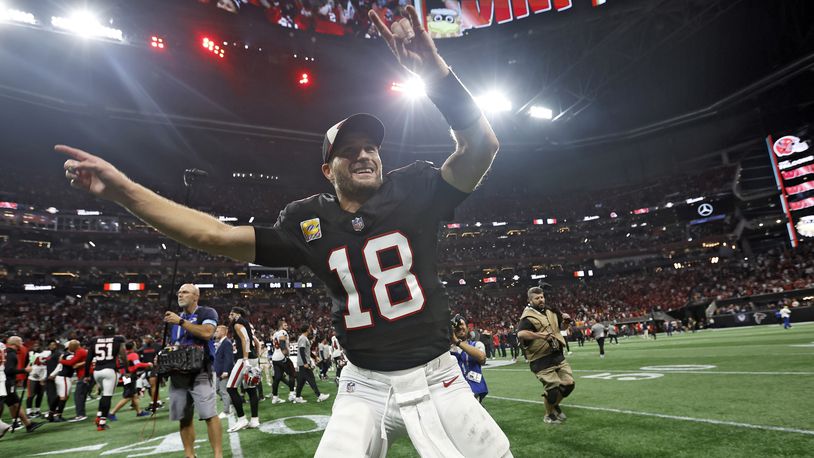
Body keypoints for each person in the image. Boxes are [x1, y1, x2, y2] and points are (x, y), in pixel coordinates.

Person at [56, 4, 509, 455]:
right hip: (363, 383)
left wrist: (434, 72)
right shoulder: (307, 221)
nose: (365, 155)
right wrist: (124, 192)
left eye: (371, 146)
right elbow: (213, 236)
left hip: (435, 372)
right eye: (350, 150)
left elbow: (482, 145)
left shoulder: (415, 187)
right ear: (327, 168)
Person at [163, 284, 223, 458]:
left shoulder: (207, 312)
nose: (180, 295)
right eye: (179, 292)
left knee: (209, 414)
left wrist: (181, 322)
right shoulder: (174, 319)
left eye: (185, 292)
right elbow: (173, 345)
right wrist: (164, 356)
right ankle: (190, 455)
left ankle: (218, 456)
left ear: (196, 296)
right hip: (178, 373)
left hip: (201, 371)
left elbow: (207, 333)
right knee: (184, 416)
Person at [517, 286, 575, 425]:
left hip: (557, 354)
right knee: (553, 389)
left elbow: (561, 328)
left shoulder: (551, 310)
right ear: (530, 300)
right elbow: (521, 334)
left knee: (569, 385)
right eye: (537, 298)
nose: (541, 300)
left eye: (542, 297)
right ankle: (548, 415)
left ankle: (554, 405)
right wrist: (540, 335)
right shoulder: (527, 317)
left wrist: (566, 321)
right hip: (540, 359)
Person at [225, 306, 261, 432]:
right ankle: (255, 419)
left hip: (244, 359)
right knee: (251, 390)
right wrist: (255, 357)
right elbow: (257, 342)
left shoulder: (238, 324)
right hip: (252, 358)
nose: (229, 317)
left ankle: (242, 419)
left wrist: (246, 359)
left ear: (236, 314)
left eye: (231, 314)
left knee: (230, 388)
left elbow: (245, 339)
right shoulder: (247, 324)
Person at [85, 324, 127, 431]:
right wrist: (127, 369)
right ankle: (102, 423)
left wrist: (86, 375)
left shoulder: (94, 340)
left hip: (97, 372)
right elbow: (123, 355)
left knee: (104, 396)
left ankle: (99, 416)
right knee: (107, 397)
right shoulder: (118, 339)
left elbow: (88, 359)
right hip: (109, 370)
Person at [3, 337, 43, 434]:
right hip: (7, 382)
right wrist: (24, 370)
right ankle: (28, 425)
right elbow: (8, 370)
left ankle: (27, 424)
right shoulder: (11, 354)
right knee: (16, 403)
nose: (22, 343)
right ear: (16, 343)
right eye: (20, 342)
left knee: (14, 404)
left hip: (5, 382)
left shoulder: (7, 352)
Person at [108, 342, 152, 420]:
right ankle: (112, 413)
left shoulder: (122, 355)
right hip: (130, 376)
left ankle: (139, 412)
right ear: (132, 347)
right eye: (135, 345)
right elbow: (138, 364)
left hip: (125, 376)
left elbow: (118, 366)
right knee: (128, 396)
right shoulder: (133, 355)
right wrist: (148, 364)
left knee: (134, 395)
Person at [450, 315, 488, 403]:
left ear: (467, 328)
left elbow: (482, 358)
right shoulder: (447, 349)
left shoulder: (477, 344)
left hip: (474, 390)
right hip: (455, 392)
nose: (460, 327)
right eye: (457, 325)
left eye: (462, 324)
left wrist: (457, 342)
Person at [294, 324, 330, 404]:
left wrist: (314, 357)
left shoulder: (303, 338)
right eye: (309, 329)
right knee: (311, 379)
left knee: (301, 381)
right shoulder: (303, 338)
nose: (310, 330)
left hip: (302, 363)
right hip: (304, 363)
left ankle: (297, 397)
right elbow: (302, 351)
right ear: (307, 329)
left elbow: (307, 351)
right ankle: (319, 396)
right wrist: (305, 362)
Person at [270, 319, 296, 404]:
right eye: (285, 325)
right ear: (281, 326)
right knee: (292, 374)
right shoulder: (282, 332)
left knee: (277, 378)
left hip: (275, 358)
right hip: (281, 357)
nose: (287, 326)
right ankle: (292, 394)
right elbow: (281, 344)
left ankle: (275, 397)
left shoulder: (275, 334)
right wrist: (286, 354)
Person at [213, 325, 234, 420]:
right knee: (217, 390)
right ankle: (232, 402)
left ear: (223, 332)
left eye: (217, 331)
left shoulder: (227, 343)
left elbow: (228, 358)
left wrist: (226, 371)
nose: (215, 333)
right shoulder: (221, 342)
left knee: (223, 391)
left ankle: (226, 411)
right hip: (219, 371)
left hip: (223, 372)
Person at [138, 334, 162, 411]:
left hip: (155, 368)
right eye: (145, 338)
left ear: (151, 339)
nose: (146, 340)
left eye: (147, 338)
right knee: (151, 387)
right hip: (147, 369)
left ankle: (154, 403)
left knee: (153, 384)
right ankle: (158, 401)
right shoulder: (143, 348)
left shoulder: (157, 346)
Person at [25, 343, 49, 419]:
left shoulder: (47, 353)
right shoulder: (32, 354)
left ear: (41, 346)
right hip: (33, 377)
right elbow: (30, 364)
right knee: (31, 395)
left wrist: (44, 377)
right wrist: (32, 373)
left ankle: (37, 410)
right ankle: (29, 412)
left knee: (40, 395)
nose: (36, 347)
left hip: (43, 377)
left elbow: (47, 365)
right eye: (34, 346)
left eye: (37, 345)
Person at [69, 340, 90, 422]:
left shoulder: (80, 351)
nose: (69, 347)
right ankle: (81, 413)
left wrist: (61, 360)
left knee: (78, 395)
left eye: (70, 345)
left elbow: (71, 362)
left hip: (84, 375)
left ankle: (81, 415)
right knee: (81, 395)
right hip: (85, 375)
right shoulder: (81, 351)